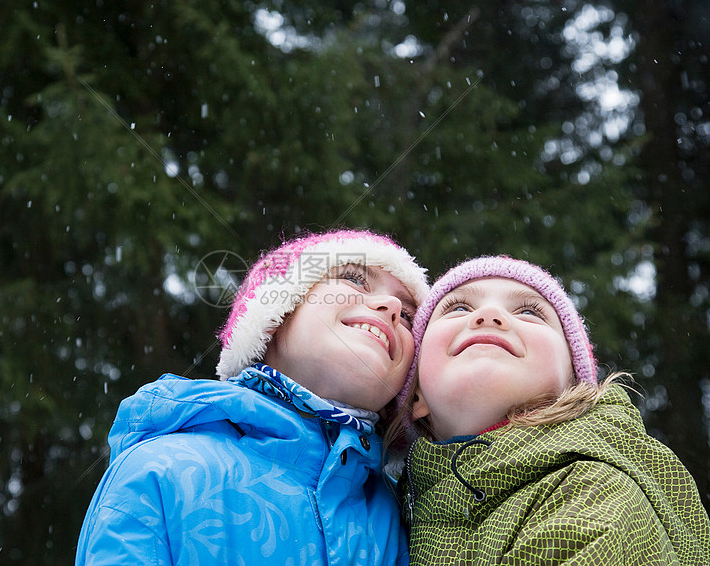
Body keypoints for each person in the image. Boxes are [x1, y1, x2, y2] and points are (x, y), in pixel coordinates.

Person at [75, 229, 429, 565]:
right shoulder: (159, 471)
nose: (390, 307)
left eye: (410, 316)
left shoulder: (410, 518)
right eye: (353, 278)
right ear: (272, 316)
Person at [387, 255, 710, 565]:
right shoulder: (389, 512)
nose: (488, 314)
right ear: (416, 397)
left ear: (572, 387)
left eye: (529, 312)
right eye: (458, 307)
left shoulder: (590, 488)